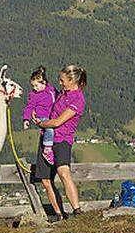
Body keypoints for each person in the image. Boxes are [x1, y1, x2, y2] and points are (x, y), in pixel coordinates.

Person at [32, 64, 87, 219]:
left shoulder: (78, 99)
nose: (60, 82)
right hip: (47, 139)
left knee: (64, 172)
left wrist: (41, 123)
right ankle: (59, 214)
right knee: (45, 180)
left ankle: (76, 210)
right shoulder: (63, 93)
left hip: (62, 140)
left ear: (72, 80)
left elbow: (57, 122)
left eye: (62, 80)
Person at [21, 66, 61, 219]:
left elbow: (58, 99)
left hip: (52, 118)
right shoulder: (34, 95)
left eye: (37, 85)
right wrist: (26, 119)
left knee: (51, 129)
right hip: (44, 119)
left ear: (44, 82)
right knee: (49, 130)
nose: (35, 88)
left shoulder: (51, 90)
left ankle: (60, 212)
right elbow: (29, 107)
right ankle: (47, 148)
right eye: (33, 86)